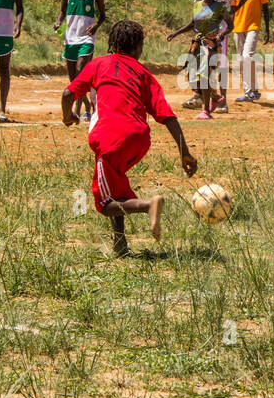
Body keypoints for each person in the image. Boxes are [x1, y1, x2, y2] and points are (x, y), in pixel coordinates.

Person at [63, 20, 198, 257]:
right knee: (116, 186)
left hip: (110, 138)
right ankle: (120, 245)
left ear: (113, 43)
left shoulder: (99, 64)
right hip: (139, 138)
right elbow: (168, 117)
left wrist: (68, 116)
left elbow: (68, 93)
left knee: (105, 204)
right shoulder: (145, 74)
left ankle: (148, 205)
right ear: (137, 48)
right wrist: (184, 152)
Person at [167, 0, 230, 119]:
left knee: (204, 76)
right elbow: (192, 24)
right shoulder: (197, 5)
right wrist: (175, 33)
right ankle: (215, 98)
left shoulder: (220, 7)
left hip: (210, 45)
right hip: (197, 45)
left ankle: (206, 110)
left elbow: (230, 25)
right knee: (193, 76)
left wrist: (222, 34)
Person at [55, 0, 105, 122]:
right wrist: (58, 22)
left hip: (86, 38)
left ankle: (89, 107)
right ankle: (82, 108)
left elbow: (103, 16)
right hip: (70, 38)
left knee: (80, 70)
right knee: (74, 81)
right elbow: (63, 10)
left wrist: (96, 25)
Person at [231, 0, 270, 103]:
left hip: (253, 26)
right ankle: (251, 91)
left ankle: (252, 90)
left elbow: (265, 8)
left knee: (247, 56)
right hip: (237, 26)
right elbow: (231, 9)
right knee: (242, 60)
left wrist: (267, 29)